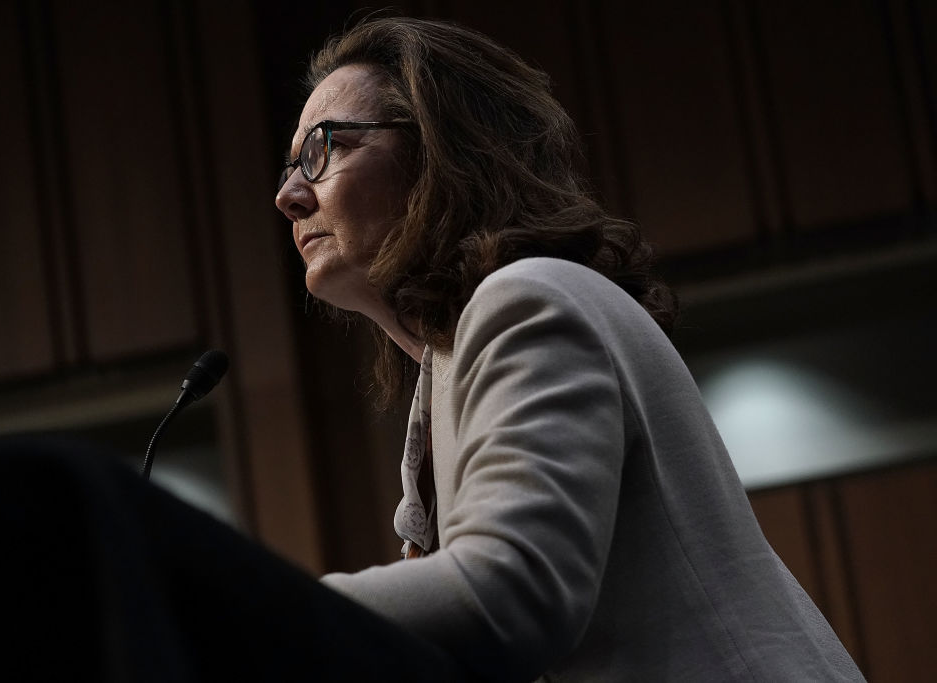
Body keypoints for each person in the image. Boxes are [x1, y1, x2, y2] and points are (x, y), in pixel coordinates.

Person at [274, 16, 864, 683]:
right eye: (291, 164)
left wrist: (250, 610)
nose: (288, 195)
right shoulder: (445, 376)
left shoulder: (530, 300)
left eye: (322, 149)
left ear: (440, 149)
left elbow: (516, 591)